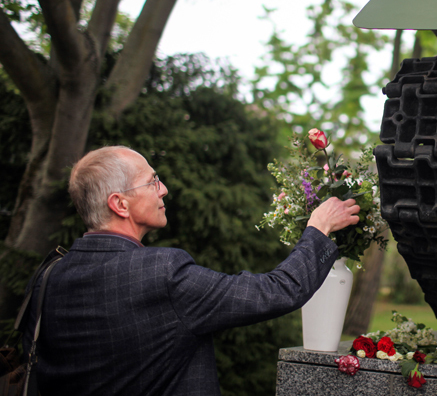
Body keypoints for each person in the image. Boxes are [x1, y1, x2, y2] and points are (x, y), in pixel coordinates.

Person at [21, 145, 360, 396]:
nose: (163, 189)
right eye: (152, 181)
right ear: (119, 203)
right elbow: (276, 291)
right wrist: (318, 228)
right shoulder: (162, 274)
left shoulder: (50, 275)